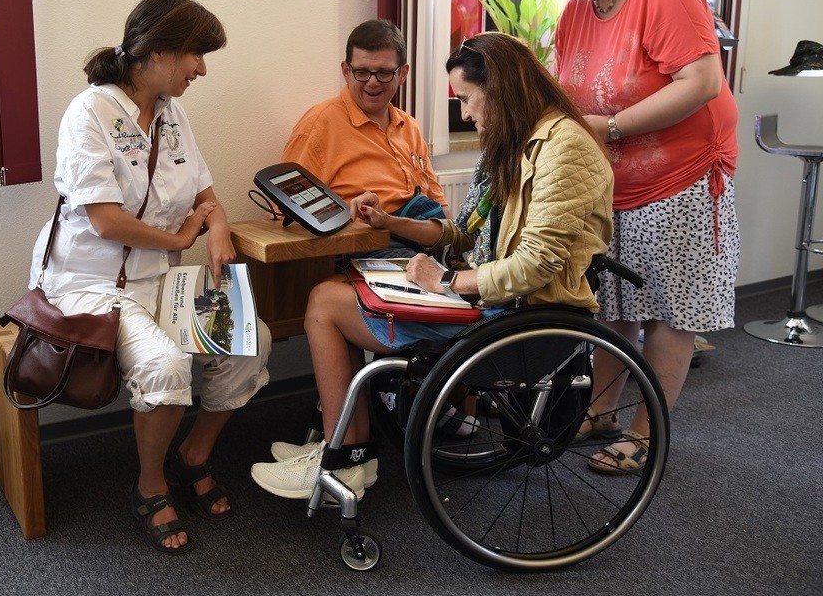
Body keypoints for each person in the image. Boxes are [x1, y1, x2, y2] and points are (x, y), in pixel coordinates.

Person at [250, 31, 613, 498]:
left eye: (467, 99)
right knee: (339, 292)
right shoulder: (510, 143)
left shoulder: (566, 147)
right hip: (489, 298)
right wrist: (391, 222)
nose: (465, 113)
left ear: (500, 89)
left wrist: (446, 280)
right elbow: (461, 232)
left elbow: (535, 266)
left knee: (325, 303)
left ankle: (346, 457)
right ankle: (346, 451)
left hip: (515, 312)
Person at [29, 0, 270, 553]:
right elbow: (106, 221)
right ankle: (150, 485)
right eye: (196, 54)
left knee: (250, 340)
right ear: (160, 51)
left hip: (161, 281)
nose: (202, 69)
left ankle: (193, 456)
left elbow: (206, 195)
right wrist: (183, 238)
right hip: (90, 284)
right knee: (165, 364)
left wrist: (216, 228)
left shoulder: (172, 113)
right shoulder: (90, 112)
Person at [517, 0, 740, 475]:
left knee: (669, 311)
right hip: (614, 183)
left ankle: (645, 433)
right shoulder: (579, 9)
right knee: (614, 304)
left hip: (679, 176)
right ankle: (601, 413)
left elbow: (702, 81)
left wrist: (611, 127)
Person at [281, 19, 448, 254]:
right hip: (363, 248)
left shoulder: (409, 126)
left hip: (424, 240)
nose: (372, 82)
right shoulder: (319, 125)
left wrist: (457, 248)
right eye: (362, 72)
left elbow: (440, 206)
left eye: (384, 73)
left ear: (402, 74)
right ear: (346, 71)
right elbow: (283, 215)